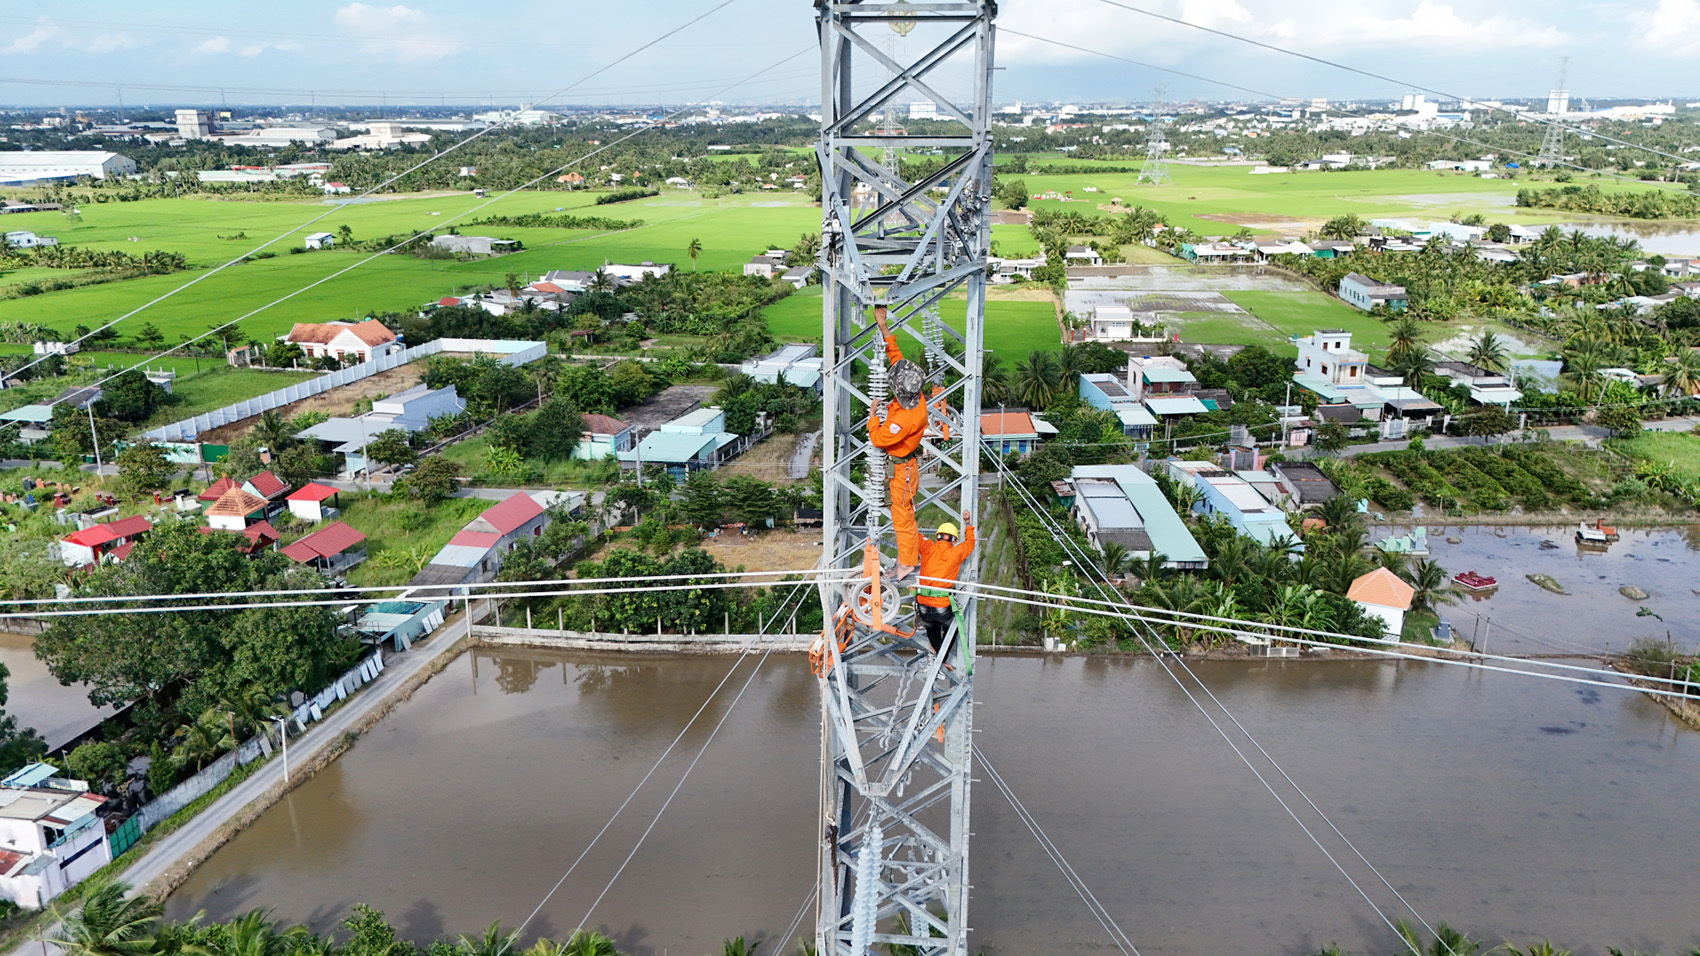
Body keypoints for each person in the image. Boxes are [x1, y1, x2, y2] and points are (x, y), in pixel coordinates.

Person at [866, 304, 928, 582]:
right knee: (903, 516)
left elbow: (878, 439)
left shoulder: (904, 420)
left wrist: (872, 417)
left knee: (902, 519)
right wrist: (883, 326)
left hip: (902, 472)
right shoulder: (914, 390)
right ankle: (908, 558)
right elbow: (897, 360)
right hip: (904, 467)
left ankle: (906, 564)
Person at [915, 520, 975, 655]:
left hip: (923, 603)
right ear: (953, 541)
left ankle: (937, 655)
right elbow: (970, 543)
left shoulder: (927, 547)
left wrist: (906, 511)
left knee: (932, 627)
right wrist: (968, 526)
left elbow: (912, 533)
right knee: (952, 629)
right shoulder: (956, 553)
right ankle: (941, 658)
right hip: (941, 604)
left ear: (937, 537)